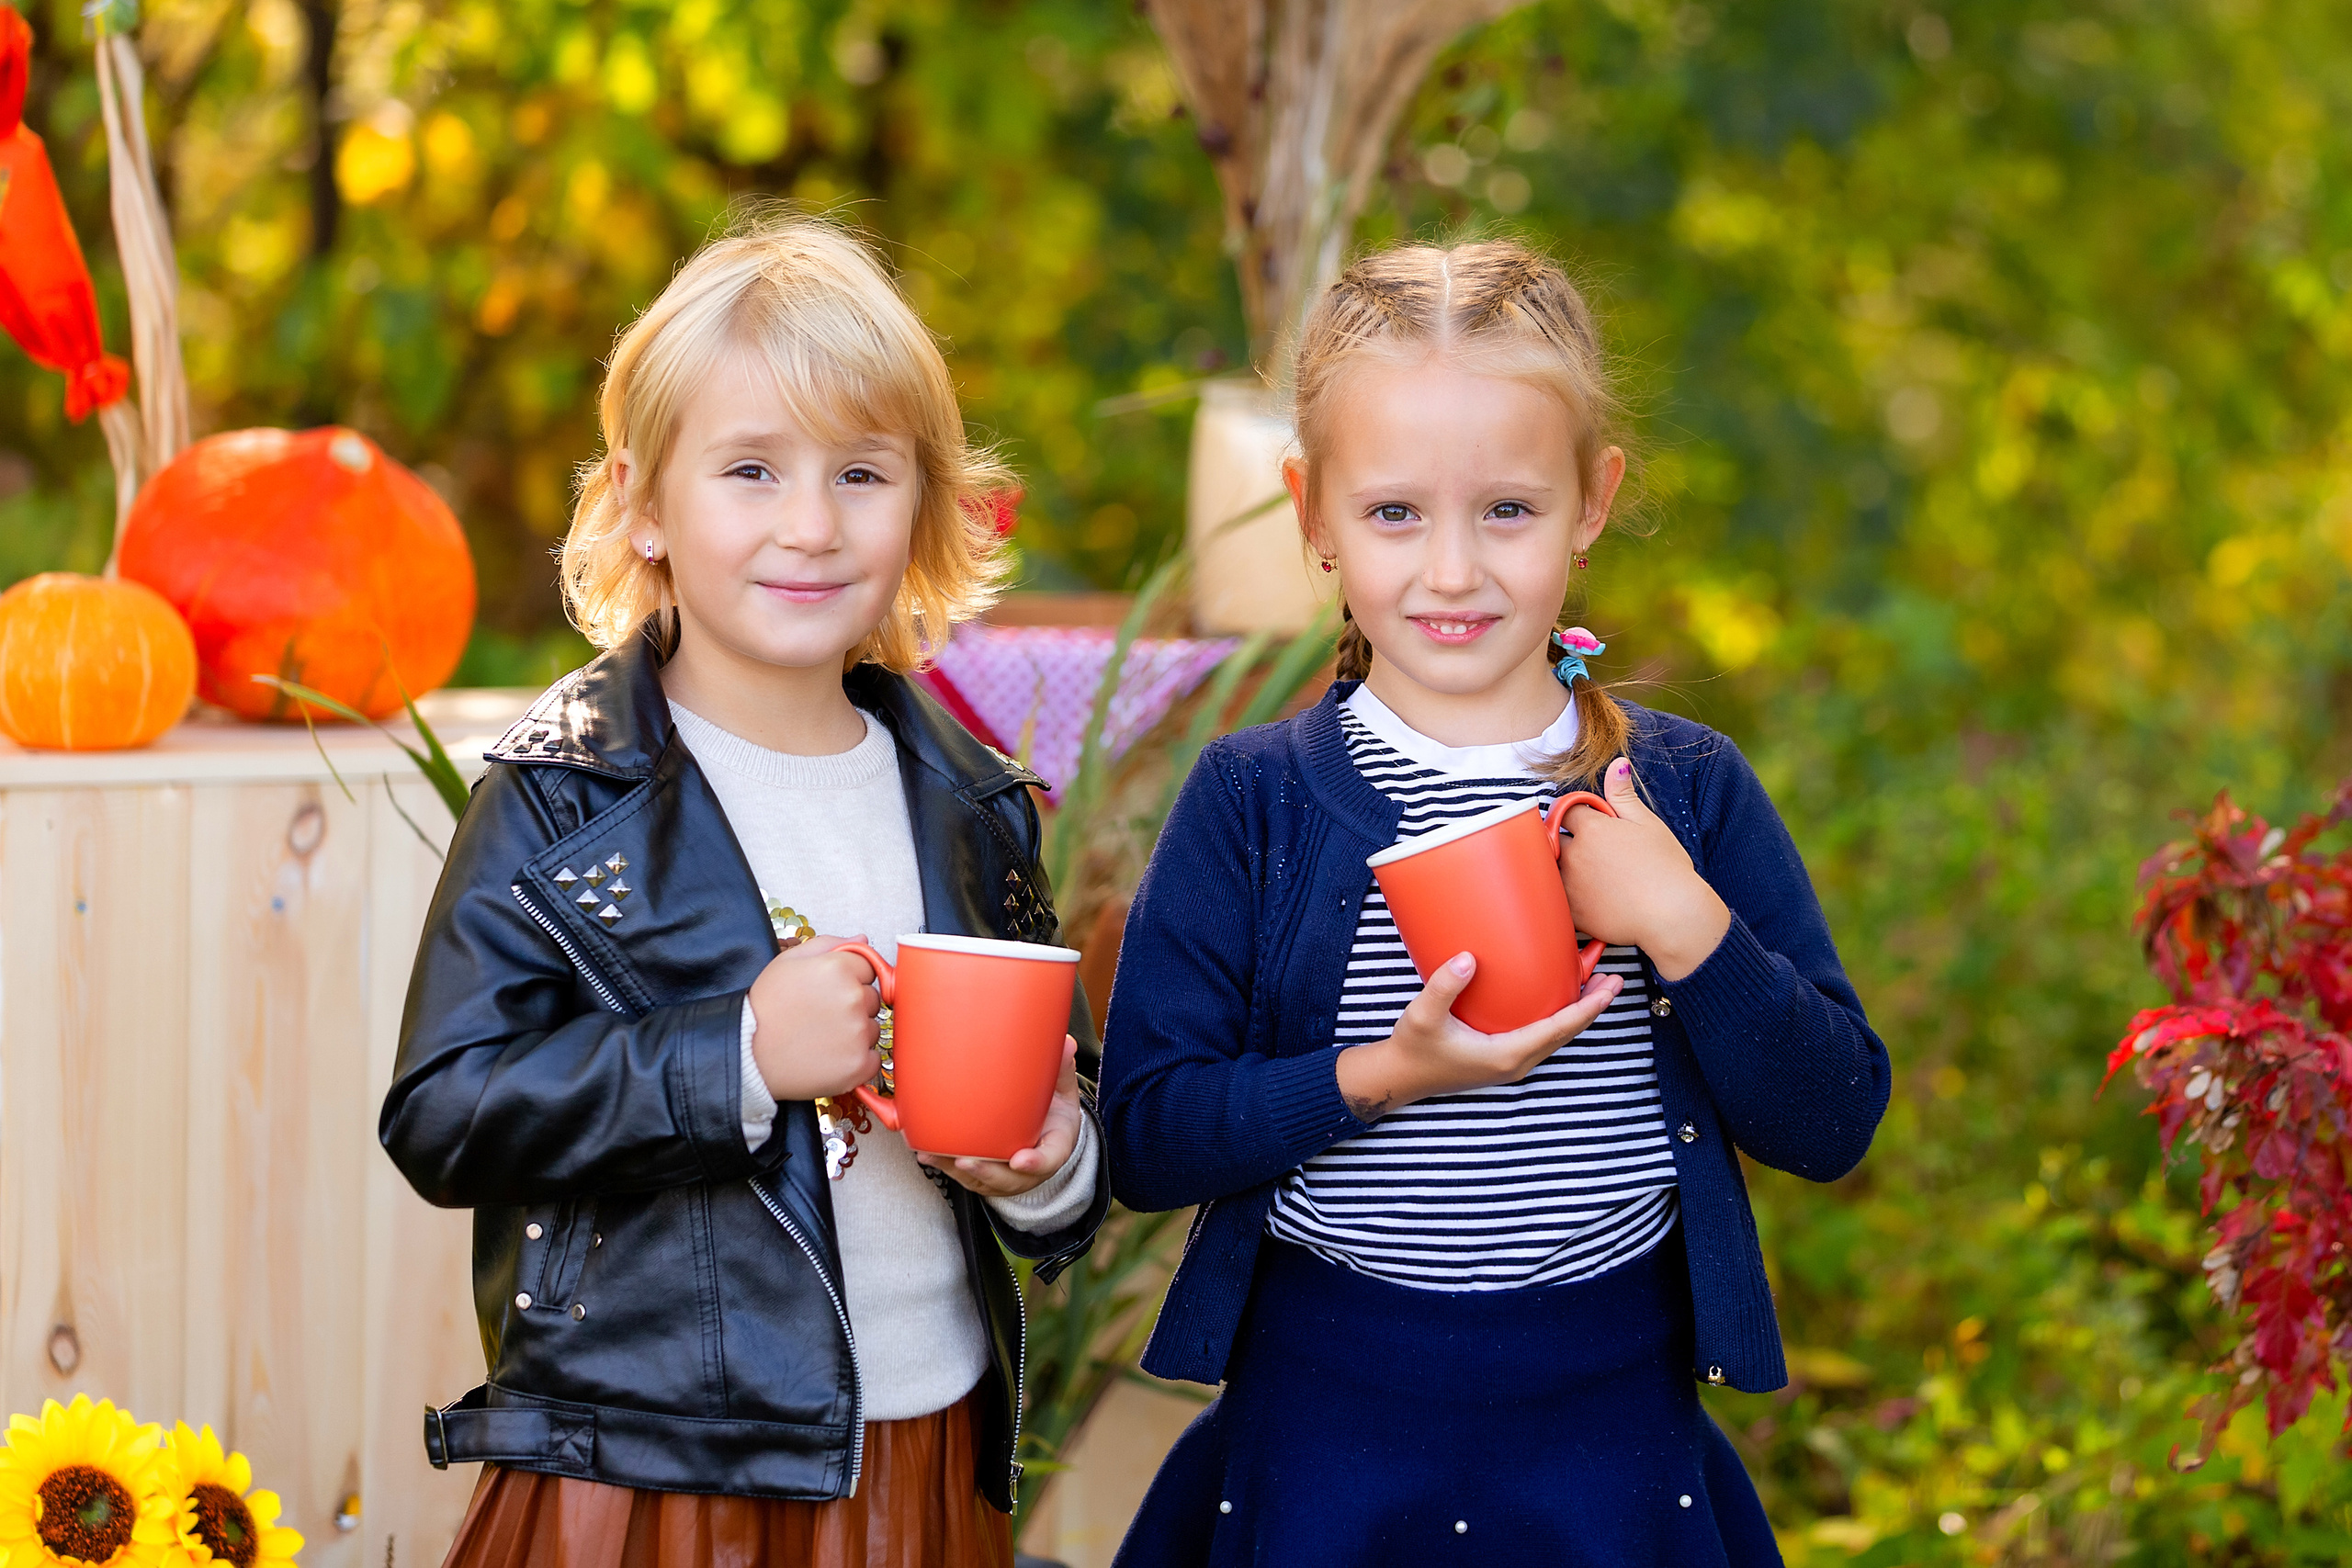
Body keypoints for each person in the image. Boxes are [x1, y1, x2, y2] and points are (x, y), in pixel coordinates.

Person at [1100, 238, 1890, 1567]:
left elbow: (1832, 1119)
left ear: (1594, 499)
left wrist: (1683, 922)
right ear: (1313, 514)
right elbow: (1147, 1135)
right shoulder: (1255, 800)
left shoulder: (1681, 792)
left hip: (1609, 1440)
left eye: (1508, 511)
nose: (1453, 572)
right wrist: (1370, 1077)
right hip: (1323, 1424)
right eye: (1396, 513)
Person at [382, 211, 1107, 1568]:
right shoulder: (558, 797)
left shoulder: (973, 804)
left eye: (863, 475)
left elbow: (1068, 1139)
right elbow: (444, 1114)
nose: (812, 526)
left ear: (928, 504)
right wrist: (737, 1055)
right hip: (656, 1468)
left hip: (924, 1444)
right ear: (645, 503)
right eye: (753, 471)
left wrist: (1049, 1163)